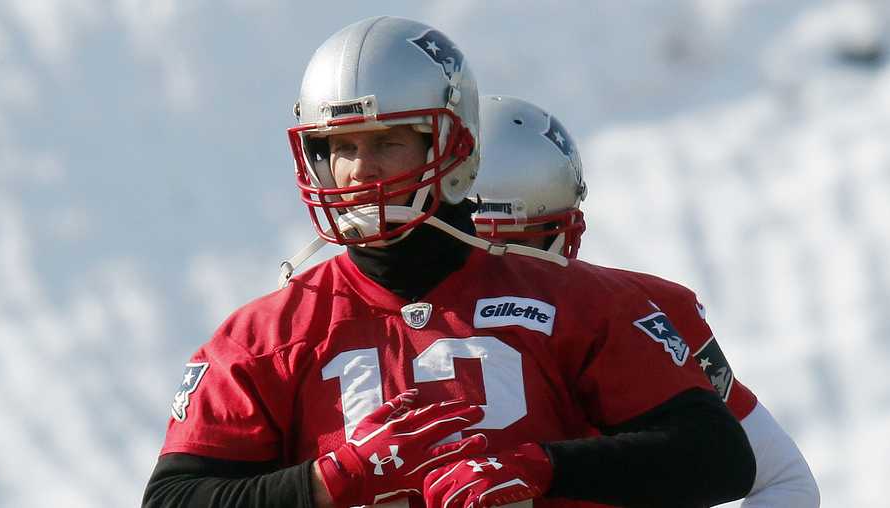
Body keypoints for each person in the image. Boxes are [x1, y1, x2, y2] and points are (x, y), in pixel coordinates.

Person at [143, 16, 755, 508]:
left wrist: (539, 468)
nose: (360, 171)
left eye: (387, 141)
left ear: (455, 144)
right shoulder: (264, 338)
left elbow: (717, 457)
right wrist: (330, 482)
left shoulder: (578, 303)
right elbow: (175, 499)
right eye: (341, 147)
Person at [469, 94, 820, 507]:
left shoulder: (643, 307)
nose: (520, 268)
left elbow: (785, 480)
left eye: (529, 241)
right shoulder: (384, 320)